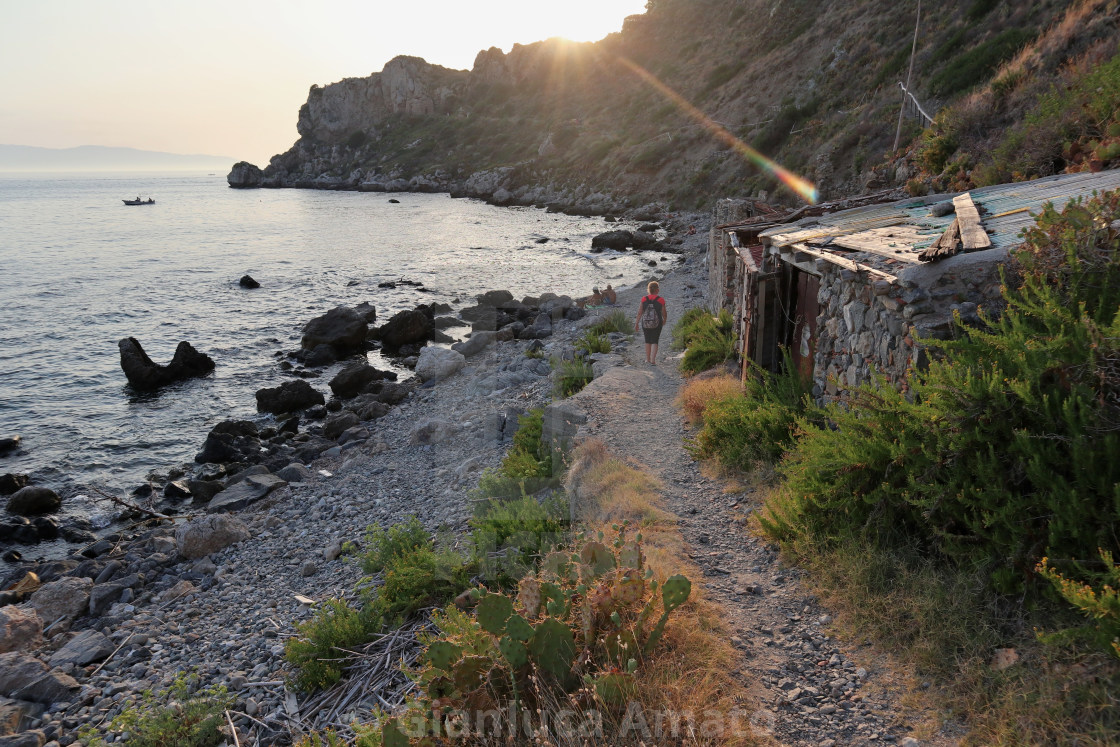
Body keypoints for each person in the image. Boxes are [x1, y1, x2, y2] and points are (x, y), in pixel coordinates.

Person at [635, 281, 667, 364]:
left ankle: (648, 359)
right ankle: (653, 360)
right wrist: (665, 320)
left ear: (648, 289)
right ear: (657, 290)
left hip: (645, 323)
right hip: (657, 322)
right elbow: (664, 312)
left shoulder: (644, 299)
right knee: (655, 341)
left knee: (647, 340)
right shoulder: (661, 300)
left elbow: (640, 312)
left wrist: (636, 323)